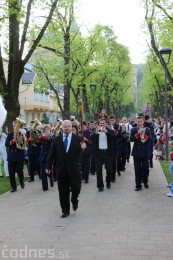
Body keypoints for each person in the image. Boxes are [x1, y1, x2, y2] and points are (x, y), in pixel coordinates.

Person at [45, 120, 86, 218]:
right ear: (62, 128)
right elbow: (52, 154)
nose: (67, 128)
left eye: (68, 126)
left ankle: (74, 200)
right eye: (65, 127)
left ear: (72, 127)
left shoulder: (78, 139)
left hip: (74, 168)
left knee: (76, 188)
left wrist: (84, 148)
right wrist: (48, 166)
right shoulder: (57, 140)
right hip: (61, 169)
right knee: (63, 191)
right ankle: (65, 210)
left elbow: (83, 151)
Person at [89, 117, 117, 191]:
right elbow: (90, 138)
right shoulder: (95, 131)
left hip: (107, 153)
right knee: (98, 170)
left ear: (106, 123)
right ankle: (100, 186)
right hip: (98, 154)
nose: (102, 125)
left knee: (108, 169)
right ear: (99, 124)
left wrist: (106, 132)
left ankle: (108, 182)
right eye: (101, 123)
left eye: (103, 123)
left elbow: (114, 138)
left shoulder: (110, 130)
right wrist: (96, 132)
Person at [130, 116, 151, 191]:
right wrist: (137, 134)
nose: (139, 123)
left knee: (145, 168)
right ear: (136, 122)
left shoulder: (147, 129)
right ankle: (138, 185)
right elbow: (131, 139)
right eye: (138, 121)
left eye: (140, 121)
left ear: (143, 122)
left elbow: (150, 140)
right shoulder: (133, 129)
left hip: (145, 152)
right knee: (137, 169)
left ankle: (145, 181)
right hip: (136, 152)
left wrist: (144, 135)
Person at [5, 119, 26, 192]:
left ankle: (21, 181)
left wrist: (18, 139)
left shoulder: (21, 133)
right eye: (14, 126)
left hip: (19, 155)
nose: (15, 127)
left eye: (16, 126)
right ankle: (14, 187)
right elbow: (6, 144)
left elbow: (23, 144)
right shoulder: (10, 134)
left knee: (19, 170)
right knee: (11, 173)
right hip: (11, 156)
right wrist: (12, 141)